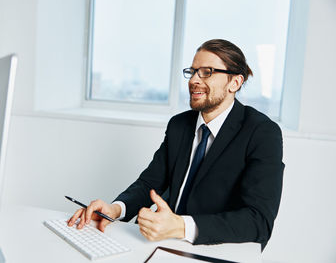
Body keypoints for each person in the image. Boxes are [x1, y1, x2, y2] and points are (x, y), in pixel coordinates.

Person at [68, 39, 284, 249]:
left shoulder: (262, 133)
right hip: (162, 242)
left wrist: (181, 226)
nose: (193, 80)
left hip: (216, 246)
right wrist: (115, 209)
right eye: (192, 71)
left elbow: (259, 221)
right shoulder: (179, 125)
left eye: (207, 72)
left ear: (234, 83)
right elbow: (148, 183)